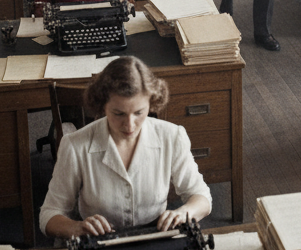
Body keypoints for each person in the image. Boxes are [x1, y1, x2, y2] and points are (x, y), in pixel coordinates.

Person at [40, 57, 211, 238]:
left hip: (156, 235)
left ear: (151, 103)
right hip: (97, 240)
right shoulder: (75, 145)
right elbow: (49, 214)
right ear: (102, 105)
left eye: (139, 113)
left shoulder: (172, 136)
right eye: (118, 114)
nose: (129, 125)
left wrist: (183, 213)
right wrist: (77, 228)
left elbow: (201, 197)